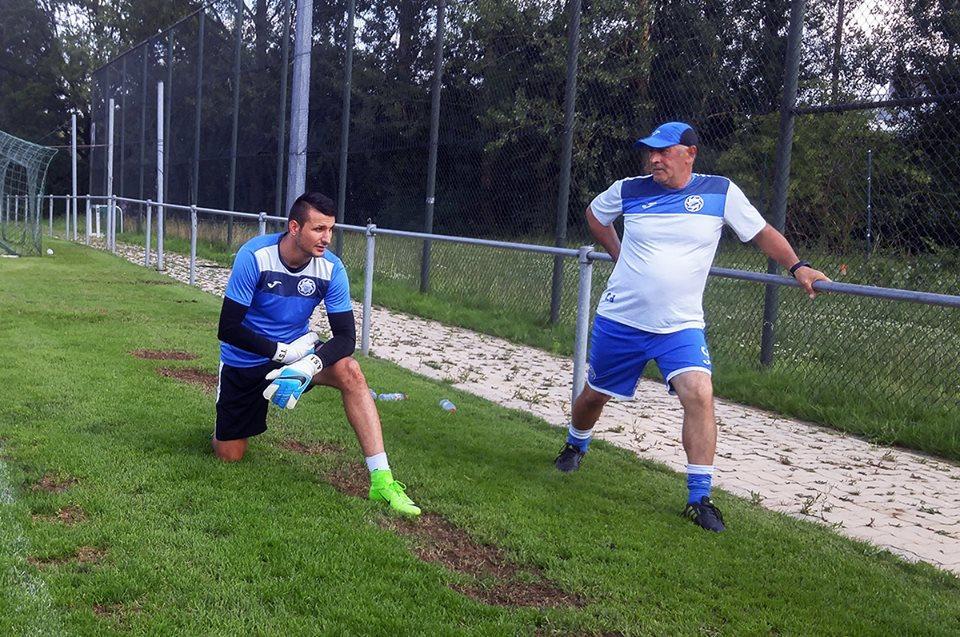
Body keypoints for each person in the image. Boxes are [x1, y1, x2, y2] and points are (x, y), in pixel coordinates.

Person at [554, 122, 829, 532]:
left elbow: (762, 233)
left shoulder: (720, 192)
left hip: (680, 326)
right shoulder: (628, 189)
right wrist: (618, 253)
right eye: (651, 152)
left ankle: (700, 498)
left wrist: (798, 266)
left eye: (664, 151)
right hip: (621, 320)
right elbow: (595, 216)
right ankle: (576, 444)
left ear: (690, 154)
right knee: (595, 395)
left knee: (699, 393)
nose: (654, 159)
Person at [214, 191, 420, 517]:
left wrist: (309, 364)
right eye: (319, 229)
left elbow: (346, 338)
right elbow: (228, 328)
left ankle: (382, 479)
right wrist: (281, 352)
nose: (327, 238)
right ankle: (222, 425)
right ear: (294, 227)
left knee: (350, 371)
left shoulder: (331, 268)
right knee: (229, 455)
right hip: (246, 360)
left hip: (299, 357)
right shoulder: (254, 256)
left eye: (331, 229)